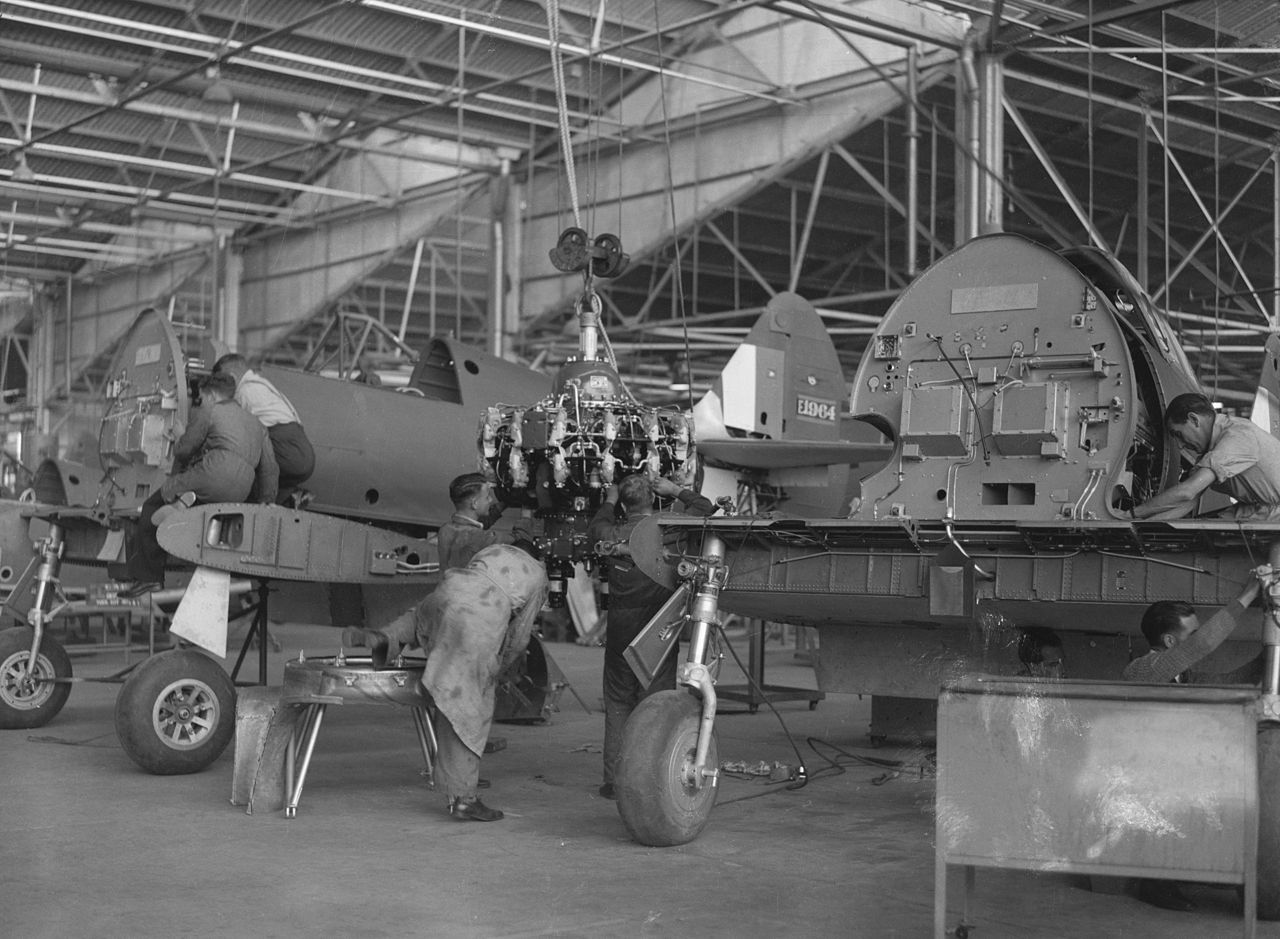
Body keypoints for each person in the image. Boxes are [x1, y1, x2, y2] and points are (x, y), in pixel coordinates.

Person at [343, 543, 548, 822]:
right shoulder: (538, 575)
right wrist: (497, 669)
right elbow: (520, 637)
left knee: (419, 618)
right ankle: (464, 799)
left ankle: (387, 637)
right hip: (480, 615)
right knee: (467, 708)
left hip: (449, 591)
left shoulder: (493, 550)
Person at [1122, 572, 1264, 912]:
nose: (1199, 637)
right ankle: (1152, 885)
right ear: (1171, 642)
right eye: (1192, 631)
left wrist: (1270, 651)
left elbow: (1233, 680)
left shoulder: (1180, 675)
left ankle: (1168, 880)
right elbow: (1204, 645)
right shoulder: (1143, 670)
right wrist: (1247, 594)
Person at [587, 473, 715, 800]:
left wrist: (611, 497)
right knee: (654, 702)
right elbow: (707, 510)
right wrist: (676, 490)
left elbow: (598, 523)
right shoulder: (667, 531)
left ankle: (614, 782)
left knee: (617, 702)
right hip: (657, 626)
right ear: (652, 499)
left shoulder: (610, 532)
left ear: (625, 503)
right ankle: (645, 779)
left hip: (619, 623)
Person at [119, 372, 278, 593]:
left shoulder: (210, 410)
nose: (201, 401)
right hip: (241, 489)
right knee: (206, 506)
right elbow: (270, 468)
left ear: (211, 394)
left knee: (151, 506)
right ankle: (185, 505)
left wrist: (179, 436)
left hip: (211, 475)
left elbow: (185, 450)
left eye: (202, 397)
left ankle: (149, 576)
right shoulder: (257, 425)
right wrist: (266, 500)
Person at [1132, 393, 1280, 521]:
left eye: (1178, 434)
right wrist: (1144, 523)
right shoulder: (1211, 452)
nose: (1180, 445)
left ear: (1194, 420)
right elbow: (1188, 503)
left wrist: (1132, 513)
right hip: (1260, 509)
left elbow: (1187, 491)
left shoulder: (1238, 436)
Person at [213, 353, 315, 507]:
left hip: (285, 448)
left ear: (232, 376)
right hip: (304, 454)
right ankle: (291, 496)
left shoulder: (245, 392)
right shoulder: (262, 385)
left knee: (244, 472)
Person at [437, 472, 524, 570]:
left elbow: (481, 524)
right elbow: (518, 538)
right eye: (487, 497)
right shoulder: (479, 538)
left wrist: (505, 503)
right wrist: (526, 517)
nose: (491, 500)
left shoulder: (445, 529)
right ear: (474, 503)